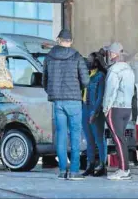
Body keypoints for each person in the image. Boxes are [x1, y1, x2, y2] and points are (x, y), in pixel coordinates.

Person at [43, 29, 90, 180]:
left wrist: (54, 93)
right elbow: (86, 81)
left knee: (61, 135)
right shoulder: (77, 56)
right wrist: (78, 89)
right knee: (75, 136)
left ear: (58, 39)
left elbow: (45, 80)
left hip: (58, 102)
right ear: (70, 41)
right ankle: (74, 170)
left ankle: (63, 170)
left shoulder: (49, 57)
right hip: (74, 101)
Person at [103, 42, 135, 180]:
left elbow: (110, 91)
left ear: (113, 53)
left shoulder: (114, 70)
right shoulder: (129, 69)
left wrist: (105, 108)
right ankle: (124, 169)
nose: (108, 54)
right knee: (121, 139)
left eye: (109, 52)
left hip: (115, 108)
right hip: (126, 108)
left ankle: (123, 170)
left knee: (118, 139)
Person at [82, 52, 108, 177]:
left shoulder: (100, 76)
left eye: (90, 60)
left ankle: (103, 165)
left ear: (96, 62)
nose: (88, 62)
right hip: (84, 109)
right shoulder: (87, 75)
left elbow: (100, 96)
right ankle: (90, 165)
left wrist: (95, 112)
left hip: (95, 110)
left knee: (99, 139)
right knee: (89, 140)